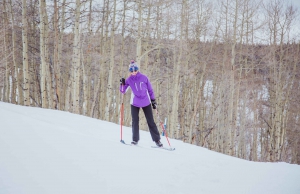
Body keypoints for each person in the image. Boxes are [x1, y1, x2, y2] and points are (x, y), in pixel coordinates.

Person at [120, 60, 163, 147]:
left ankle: (157, 140)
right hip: (135, 103)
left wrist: (153, 100)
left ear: (137, 69)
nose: (133, 72)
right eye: (131, 70)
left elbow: (150, 90)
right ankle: (135, 140)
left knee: (150, 121)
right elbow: (123, 91)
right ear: (130, 71)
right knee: (135, 121)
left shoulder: (144, 78)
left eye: (135, 69)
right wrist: (122, 84)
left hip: (146, 102)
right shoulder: (129, 80)